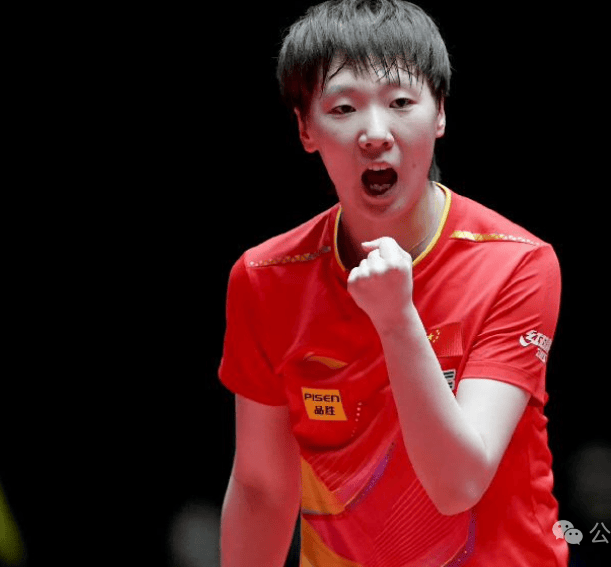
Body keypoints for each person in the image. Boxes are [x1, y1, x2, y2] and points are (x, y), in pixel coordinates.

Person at [218, 1, 567, 565]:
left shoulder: (517, 264)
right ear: (306, 128)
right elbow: (261, 488)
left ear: (439, 114)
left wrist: (397, 319)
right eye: (343, 107)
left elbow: (458, 485)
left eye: (401, 103)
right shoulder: (265, 279)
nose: (375, 133)